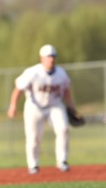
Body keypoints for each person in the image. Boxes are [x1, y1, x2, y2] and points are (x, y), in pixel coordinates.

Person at [7, 44, 79, 174]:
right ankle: (33, 165)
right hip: (34, 107)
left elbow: (66, 90)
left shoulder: (61, 73)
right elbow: (18, 88)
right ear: (42, 58)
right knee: (33, 137)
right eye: (48, 57)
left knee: (63, 129)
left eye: (53, 56)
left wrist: (71, 106)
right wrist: (13, 105)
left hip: (55, 105)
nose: (51, 59)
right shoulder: (33, 72)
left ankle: (62, 160)